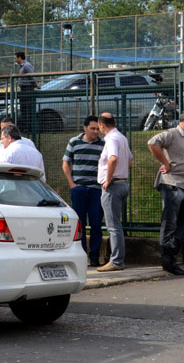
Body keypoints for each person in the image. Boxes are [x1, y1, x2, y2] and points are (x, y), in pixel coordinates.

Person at [148, 108, 184, 276]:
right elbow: (152, 143)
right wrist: (166, 162)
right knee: (170, 223)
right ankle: (168, 261)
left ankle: (169, 248)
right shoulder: (171, 134)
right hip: (171, 184)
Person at [62, 116, 105, 267]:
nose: (95, 131)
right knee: (78, 224)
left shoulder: (103, 144)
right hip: (78, 189)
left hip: (96, 189)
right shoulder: (74, 142)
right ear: (85, 128)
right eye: (92, 128)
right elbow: (65, 163)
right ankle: (80, 257)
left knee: (96, 223)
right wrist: (72, 184)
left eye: (97, 129)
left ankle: (94, 257)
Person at [96, 112, 133, 272]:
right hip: (122, 183)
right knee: (116, 224)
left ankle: (116, 260)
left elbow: (113, 158)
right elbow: (130, 159)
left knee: (113, 226)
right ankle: (118, 259)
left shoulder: (111, 139)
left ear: (102, 125)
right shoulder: (122, 137)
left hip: (113, 186)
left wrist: (108, 179)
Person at [15, 52, 38, 133]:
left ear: (19, 57)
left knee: (28, 108)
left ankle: (30, 128)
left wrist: (36, 84)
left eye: (16, 57)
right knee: (24, 108)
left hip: (27, 89)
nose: (15, 59)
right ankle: (27, 127)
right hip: (23, 89)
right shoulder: (22, 66)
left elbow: (32, 76)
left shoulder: (26, 65)